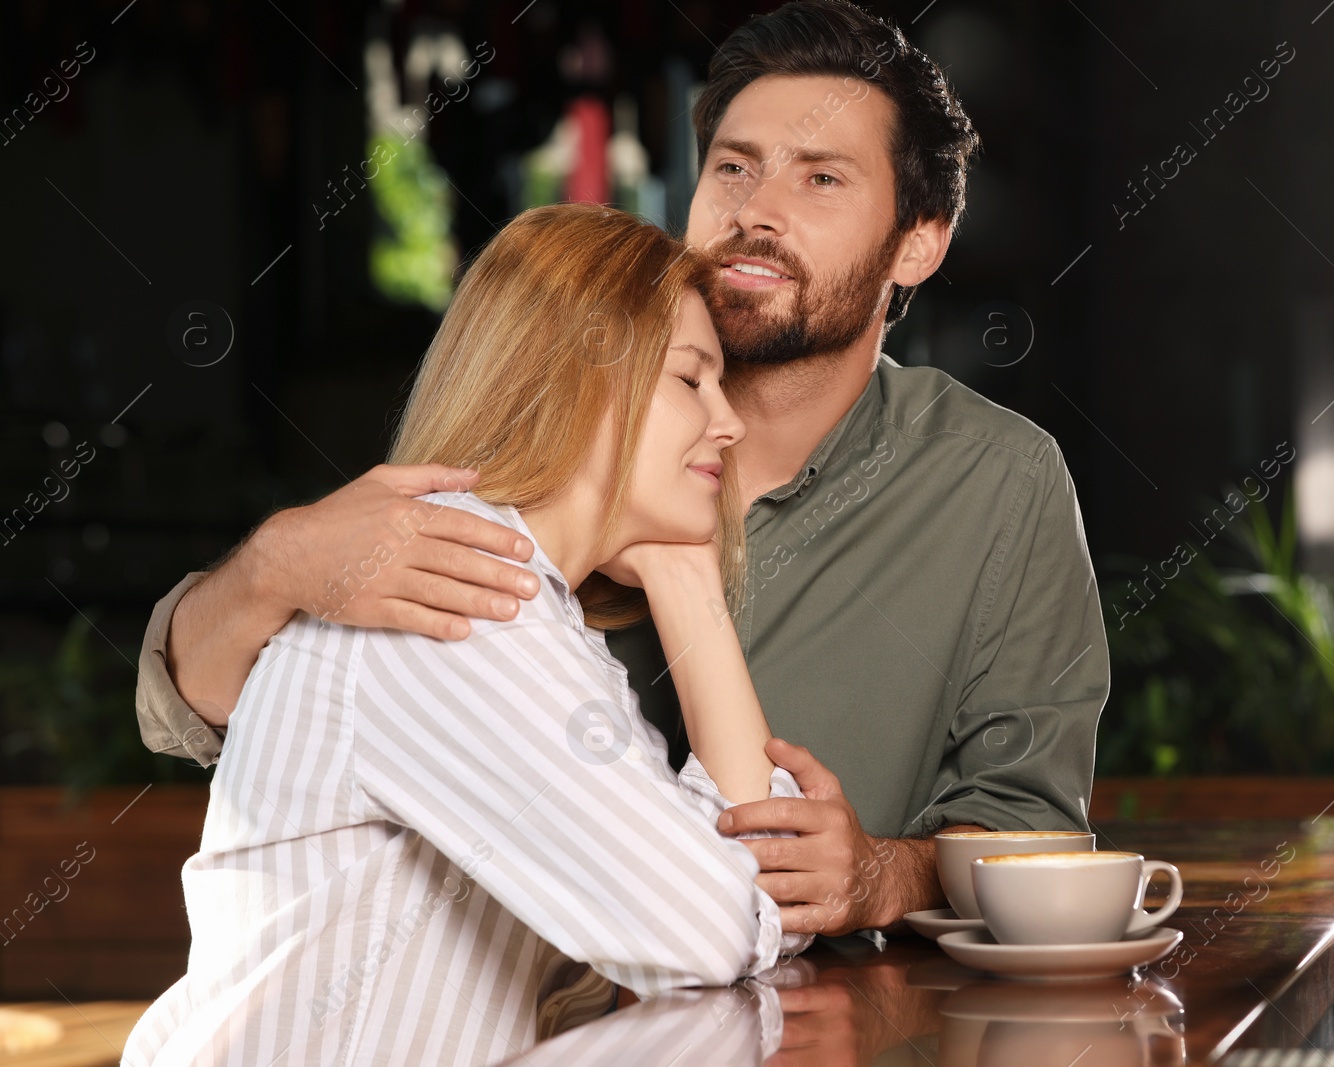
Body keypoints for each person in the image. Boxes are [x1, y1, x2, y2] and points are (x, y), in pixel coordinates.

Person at [134, 0, 1110, 938]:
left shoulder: (995, 481)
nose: (756, 211)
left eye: (821, 179)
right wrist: (271, 571)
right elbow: (235, 711)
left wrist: (880, 875)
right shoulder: (556, 408)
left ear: (918, 242)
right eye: (733, 167)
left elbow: (1034, 837)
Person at [123, 204, 808, 1066]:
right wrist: (747, 904)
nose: (729, 422)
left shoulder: (547, 623)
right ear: (579, 378)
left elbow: (733, 880)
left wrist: (687, 579)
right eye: (690, 379)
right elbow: (708, 932)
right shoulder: (460, 580)